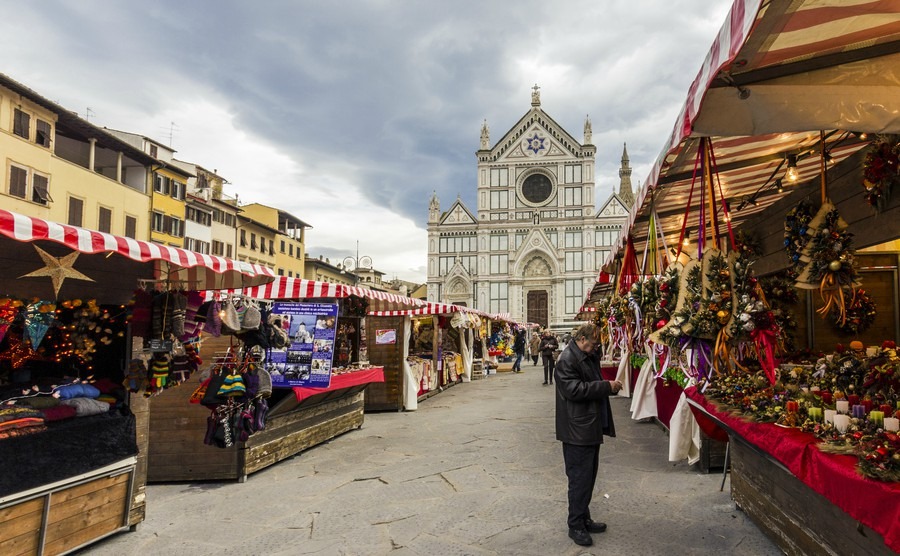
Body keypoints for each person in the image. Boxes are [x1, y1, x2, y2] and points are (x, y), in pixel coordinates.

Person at [554, 323, 622, 547]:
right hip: (577, 430)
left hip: (587, 425)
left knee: (588, 477)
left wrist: (606, 386)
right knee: (579, 479)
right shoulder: (566, 360)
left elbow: (589, 382)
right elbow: (574, 390)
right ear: (581, 339)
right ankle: (575, 525)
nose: (595, 348)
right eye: (592, 344)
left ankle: (584, 517)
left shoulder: (585, 355)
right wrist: (606, 387)